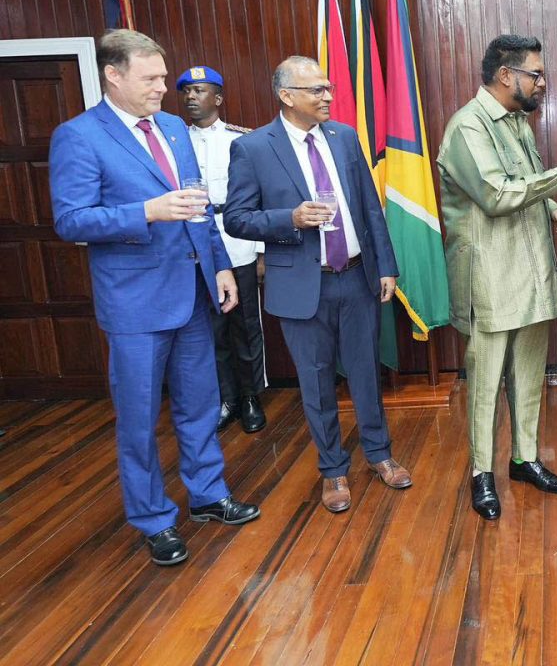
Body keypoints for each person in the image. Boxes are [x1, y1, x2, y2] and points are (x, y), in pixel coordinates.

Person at [48, 30, 260, 567]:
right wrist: (146, 211)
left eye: (164, 77)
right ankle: (153, 519)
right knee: (139, 419)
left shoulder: (171, 127)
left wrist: (219, 268)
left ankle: (209, 496)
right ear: (113, 75)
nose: (164, 89)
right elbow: (71, 219)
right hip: (135, 306)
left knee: (201, 405)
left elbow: (198, 206)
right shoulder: (78, 136)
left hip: (192, 292)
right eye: (152, 79)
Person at [223, 56, 409, 514]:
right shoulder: (253, 149)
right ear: (287, 97)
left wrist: (386, 266)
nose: (328, 96)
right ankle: (333, 471)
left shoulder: (344, 138)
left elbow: (369, 207)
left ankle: (380, 455)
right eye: (317, 91)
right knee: (317, 382)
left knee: (367, 373)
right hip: (303, 287)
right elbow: (236, 218)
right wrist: (289, 219)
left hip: (358, 277)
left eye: (328, 88)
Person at [439, 34, 557, 520]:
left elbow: (523, 179)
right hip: (490, 273)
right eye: (536, 73)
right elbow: (495, 194)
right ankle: (481, 473)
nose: (543, 82)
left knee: (531, 373)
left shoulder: (518, 124)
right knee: (486, 380)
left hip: (531, 266)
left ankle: (524, 459)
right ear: (506, 76)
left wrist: (551, 207)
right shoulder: (467, 127)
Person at [177, 66, 267, 434]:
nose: (191, 98)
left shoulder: (241, 140)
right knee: (209, 330)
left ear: (218, 98)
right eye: (185, 91)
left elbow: (257, 198)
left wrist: (261, 251)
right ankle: (226, 398)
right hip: (194, 243)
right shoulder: (173, 141)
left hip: (236, 241)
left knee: (245, 326)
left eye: (199, 91)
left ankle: (250, 397)